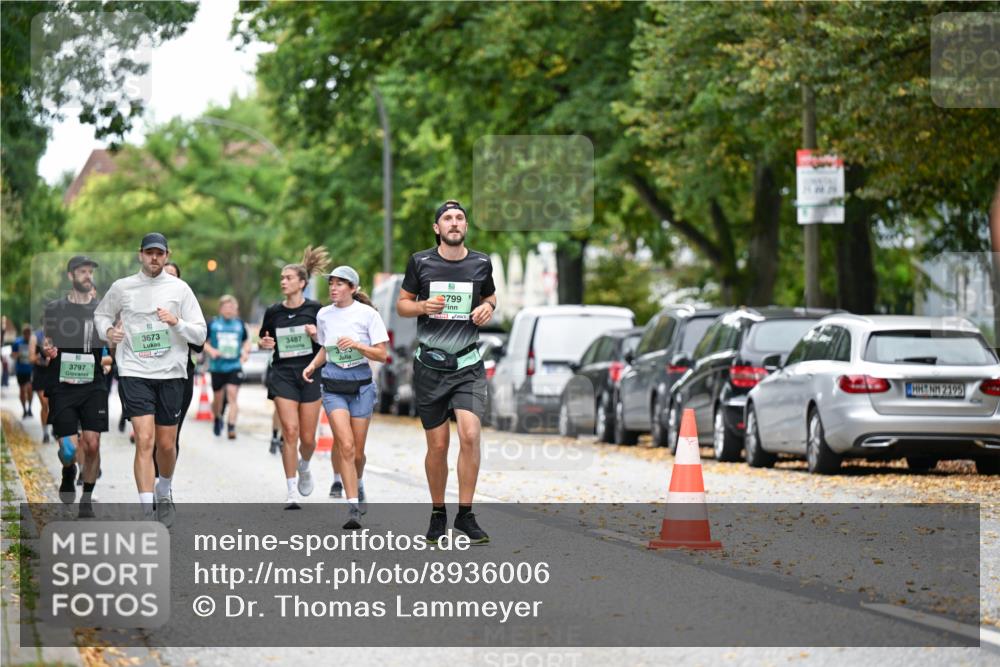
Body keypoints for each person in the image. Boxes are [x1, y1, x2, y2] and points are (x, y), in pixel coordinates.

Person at [397, 200, 497, 545]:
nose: (454, 223)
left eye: (460, 218)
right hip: (430, 366)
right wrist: (422, 306)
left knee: (470, 434)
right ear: (437, 228)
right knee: (438, 446)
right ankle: (438, 512)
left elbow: (492, 296)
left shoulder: (481, 262)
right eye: (447, 219)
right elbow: (402, 303)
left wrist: (487, 307)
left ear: (465, 226)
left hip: (468, 363)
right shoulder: (420, 262)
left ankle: (465, 515)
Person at [94, 233, 206, 525]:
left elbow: (201, 333)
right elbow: (101, 315)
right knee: (144, 439)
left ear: (167, 255)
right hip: (134, 371)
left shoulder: (180, 290)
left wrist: (176, 322)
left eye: (159, 253)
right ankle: (147, 513)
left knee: (166, 445)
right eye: (149, 253)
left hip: (171, 374)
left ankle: (164, 489)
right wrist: (109, 332)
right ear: (140, 255)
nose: (154, 258)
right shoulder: (122, 287)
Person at [303, 266, 388, 529]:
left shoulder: (368, 315)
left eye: (340, 284)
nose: (333, 288)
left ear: (353, 289)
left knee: (358, 452)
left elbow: (382, 355)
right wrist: (313, 365)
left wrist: (358, 345)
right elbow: (326, 350)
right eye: (331, 283)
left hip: (361, 386)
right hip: (333, 387)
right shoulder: (324, 315)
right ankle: (352, 507)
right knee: (346, 446)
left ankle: (359, 483)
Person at [258, 246, 329, 509]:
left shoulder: (317, 310)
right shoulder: (273, 311)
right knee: (290, 431)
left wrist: (315, 336)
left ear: (302, 283)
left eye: (288, 278)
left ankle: (305, 466)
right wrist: (264, 344)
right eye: (282, 278)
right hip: (283, 375)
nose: (283, 282)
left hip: (310, 373)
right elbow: (265, 340)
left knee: (308, 439)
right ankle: (291, 491)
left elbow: (328, 344)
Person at [40, 256, 109, 516]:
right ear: (71, 276)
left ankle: (87, 498)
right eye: (82, 271)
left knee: (92, 444)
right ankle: (68, 469)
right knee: (68, 448)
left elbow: (111, 341)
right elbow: (47, 342)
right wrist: (48, 350)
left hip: (93, 384)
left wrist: (114, 349)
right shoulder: (55, 308)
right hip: (63, 385)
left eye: (90, 271)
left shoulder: (101, 309)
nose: (87, 275)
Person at [157, 261, 204, 473]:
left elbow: (199, 344)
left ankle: (164, 485)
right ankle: (152, 485)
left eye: (173, 275)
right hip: (146, 376)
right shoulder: (142, 304)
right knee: (148, 437)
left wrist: (178, 323)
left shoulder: (187, 307)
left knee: (169, 437)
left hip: (180, 376)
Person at [204, 295, 250, 439]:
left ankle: (231, 427)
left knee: (232, 394)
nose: (229, 310)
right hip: (217, 367)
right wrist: (211, 351)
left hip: (234, 365)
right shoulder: (213, 324)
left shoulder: (240, 325)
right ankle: (218, 417)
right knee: (218, 399)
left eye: (232, 307)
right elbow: (203, 342)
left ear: (236, 309)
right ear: (220, 309)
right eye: (226, 307)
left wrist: (245, 353)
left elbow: (246, 342)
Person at [28, 324, 54, 442]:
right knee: (44, 404)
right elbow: (31, 358)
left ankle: (56, 428)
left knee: (54, 404)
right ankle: (45, 433)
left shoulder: (58, 334)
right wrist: (43, 354)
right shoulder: (35, 337)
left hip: (53, 372)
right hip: (40, 374)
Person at [12, 325, 34, 417]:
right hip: (20, 370)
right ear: (23, 333)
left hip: (31, 370)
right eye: (26, 333)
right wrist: (19, 354)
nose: (28, 335)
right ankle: (24, 409)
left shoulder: (33, 342)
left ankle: (29, 408)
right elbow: (13, 355)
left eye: (29, 333)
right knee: (22, 390)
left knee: (30, 389)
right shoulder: (17, 342)